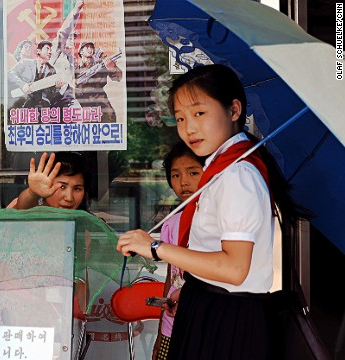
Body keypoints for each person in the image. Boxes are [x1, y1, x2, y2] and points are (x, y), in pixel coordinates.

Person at [116, 64, 304, 360]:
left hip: (227, 320)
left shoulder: (236, 175)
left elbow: (233, 269)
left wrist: (155, 247)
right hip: (209, 306)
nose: (189, 128)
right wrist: (194, 286)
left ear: (234, 110)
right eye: (180, 118)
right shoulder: (221, 168)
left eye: (199, 113)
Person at [152, 141, 204, 360]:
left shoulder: (216, 223)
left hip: (203, 323)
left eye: (193, 172)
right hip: (170, 325)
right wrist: (158, 332)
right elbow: (170, 274)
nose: (184, 182)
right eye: (175, 175)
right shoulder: (171, 224)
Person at [8, 152, 88, 211]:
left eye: (77, 189)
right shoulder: (34, 209)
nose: (69, 198)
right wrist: (33, 193)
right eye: (62, 187)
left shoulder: (87, 222)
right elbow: (23, 207)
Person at [8, 40, 67, 109]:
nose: (50, 52)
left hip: (42, 106)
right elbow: (10, 74)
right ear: (38, 51)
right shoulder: (25, 63)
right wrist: (22, 84)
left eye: (50, 50)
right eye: (47, 49)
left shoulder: (52, 70)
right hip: (22, 103)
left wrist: (57, 87)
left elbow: (52, 95)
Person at [73, 41, 123, 122]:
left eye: (91, 47)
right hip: (86, 109)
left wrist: (111, 67)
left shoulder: (100, 65)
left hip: (103, 106)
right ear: (81, 51)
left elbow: (118, 78)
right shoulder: (75, 71)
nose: (90, 49)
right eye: (87, 47)